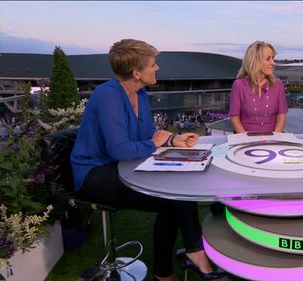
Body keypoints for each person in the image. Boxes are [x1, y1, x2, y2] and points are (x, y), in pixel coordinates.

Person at [71, 39, 225, 281]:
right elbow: (122, 149)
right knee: (173, 196)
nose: (157, 68)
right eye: (153, 64)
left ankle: (174, 265)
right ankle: (187, 258)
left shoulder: (140, 92)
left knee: (176, 192)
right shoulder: (107, 95)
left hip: (122, 165)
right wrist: (155, 142)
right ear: (136, 73)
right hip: (95, 173)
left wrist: (172, 140)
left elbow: (145, 136)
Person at [229, 41, 288, 133]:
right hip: (245, 140)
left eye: (273, 58)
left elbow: (281, 116)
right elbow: (234, 118)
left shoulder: (278, 85)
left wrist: (274, 139)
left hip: (273, 139)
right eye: (268, 59)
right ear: (255, 61)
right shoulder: (238, 85)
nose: (273, 63)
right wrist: (246, 140)